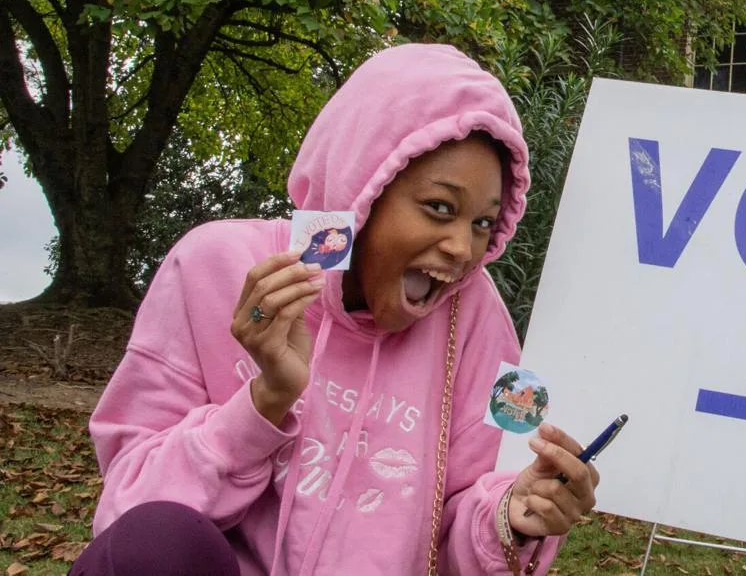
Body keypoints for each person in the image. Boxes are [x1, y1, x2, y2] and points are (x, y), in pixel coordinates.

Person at [70, 44, 598, 576]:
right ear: (359, 193)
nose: (463, 249)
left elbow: (469, 515)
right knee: (157, 541)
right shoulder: (214, 266)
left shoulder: (478, 321)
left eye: (482, 223)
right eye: (440, 208)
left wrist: (514, 513)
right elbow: (131, 519)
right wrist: (265, 400)